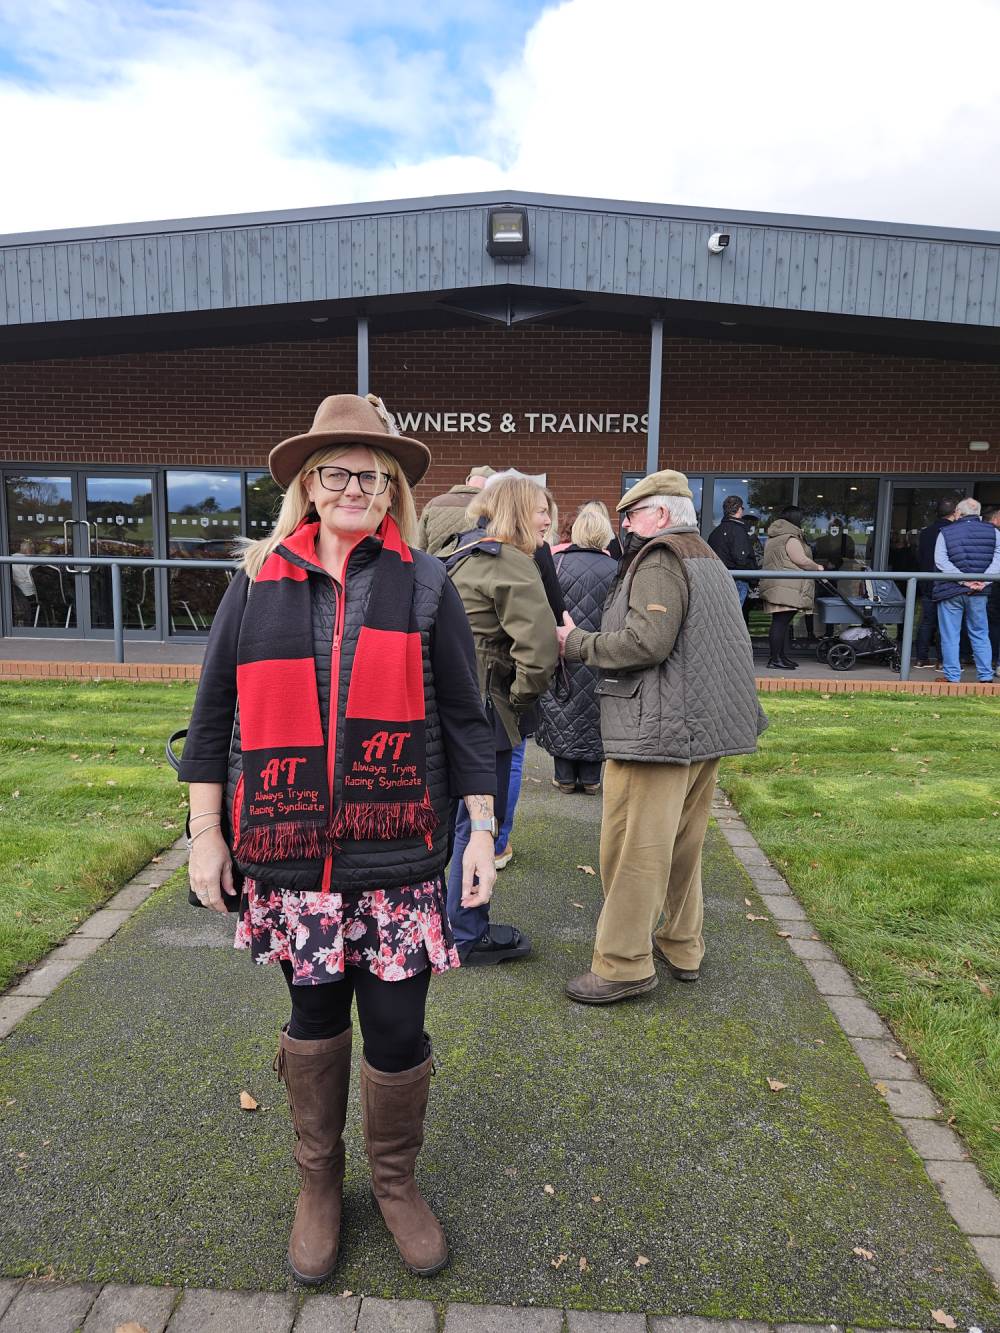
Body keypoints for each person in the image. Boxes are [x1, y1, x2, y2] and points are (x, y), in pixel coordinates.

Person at [176, 393, 497, 1285]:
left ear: (391, 487)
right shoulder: (255, 578)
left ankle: (395, 1182)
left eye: (371, 472)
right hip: (289, 860)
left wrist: (481, 831)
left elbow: (469, 723)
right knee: (314, 1019)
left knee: (397, 1029)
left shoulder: (426, 584)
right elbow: (210, 725)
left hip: (397, 860)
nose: (353, 485)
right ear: (308, 485)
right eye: (335, 471)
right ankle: (319, 1183)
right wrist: (208, 836)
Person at [555, 469, 766, 1005]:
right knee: (682, 847)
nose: (625, 524)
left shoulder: (660, 558)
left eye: (634, 514)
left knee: (633, 850)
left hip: (657, 732)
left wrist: (576, 641)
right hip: (701, 730)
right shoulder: (707, 557)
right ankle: (682, 946)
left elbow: (645, 642)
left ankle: (623, 964)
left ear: (662, 515)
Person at [443, 476, 559, 963]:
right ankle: (467, 934)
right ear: (516, 510)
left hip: (442, 703)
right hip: (486, 707)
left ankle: (440, 920)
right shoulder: (510, 562)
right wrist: (515, 701)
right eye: (541, 510)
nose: (549, 520)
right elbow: (540, 653)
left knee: (448, 821)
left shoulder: (457, 555)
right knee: (479, 822)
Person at [536, 505, 617, 793]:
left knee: (562, 705)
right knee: (595, 710)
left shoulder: (556, 562)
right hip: (600, 653)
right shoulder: (618, 569)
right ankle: (592, 778)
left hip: (561, 652)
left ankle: (565, 775)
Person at [933, 496, 1000, 684]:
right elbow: (998, 559)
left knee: (950, 635)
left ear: (958, 513)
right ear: (978, 514)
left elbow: (941, 561)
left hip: (951, 591)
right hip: (980, 592)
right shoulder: (994, 532)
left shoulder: (945, 532)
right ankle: (986, 676)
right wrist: (982, 581)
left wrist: (965, 580)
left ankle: (953, 677)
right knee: (980, 633)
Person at [758, 506, 823, 670]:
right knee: (780, 623)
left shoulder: (775, 536)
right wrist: (817, 567)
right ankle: (775, 659)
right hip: (786, 586)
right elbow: (801, 560)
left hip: (778, 585)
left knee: (780, 623)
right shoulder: (790, 538)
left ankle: (779, 657)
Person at [913, 498, 957, 667]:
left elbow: (920, 557)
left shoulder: (926, 532)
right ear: (954, 513)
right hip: (948, 583)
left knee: (926, 621)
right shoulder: (954, 531)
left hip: (928, 582)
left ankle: (920, 658)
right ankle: (942, 659)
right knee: (946, 623)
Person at [414, 464, 494, 554]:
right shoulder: (493, 508)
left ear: (467, 481)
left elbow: (418, 545)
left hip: (436, 566)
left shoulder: (434, 503)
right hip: (473, 567)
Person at [706, 496, 758, 606]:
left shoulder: (715, 532)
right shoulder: (738, 531)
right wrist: (754, 580)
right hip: (736, 581)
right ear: (739, 509)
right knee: (733, 619)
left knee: (721, 616)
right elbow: (741, 559)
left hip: (717, 580)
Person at [984, 504, 1000, 671]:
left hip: (993, 585)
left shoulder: (992, 535)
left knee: (993, 624)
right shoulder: (993, 535)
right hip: (993, 585)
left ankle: (994, 659)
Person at [10, 538, 38, 626]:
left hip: (17, 591)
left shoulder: (10, 558)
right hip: (28, 593)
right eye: (33, 550)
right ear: (29, 550)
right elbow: (32, 580)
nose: (34, 553)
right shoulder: (29, 560)